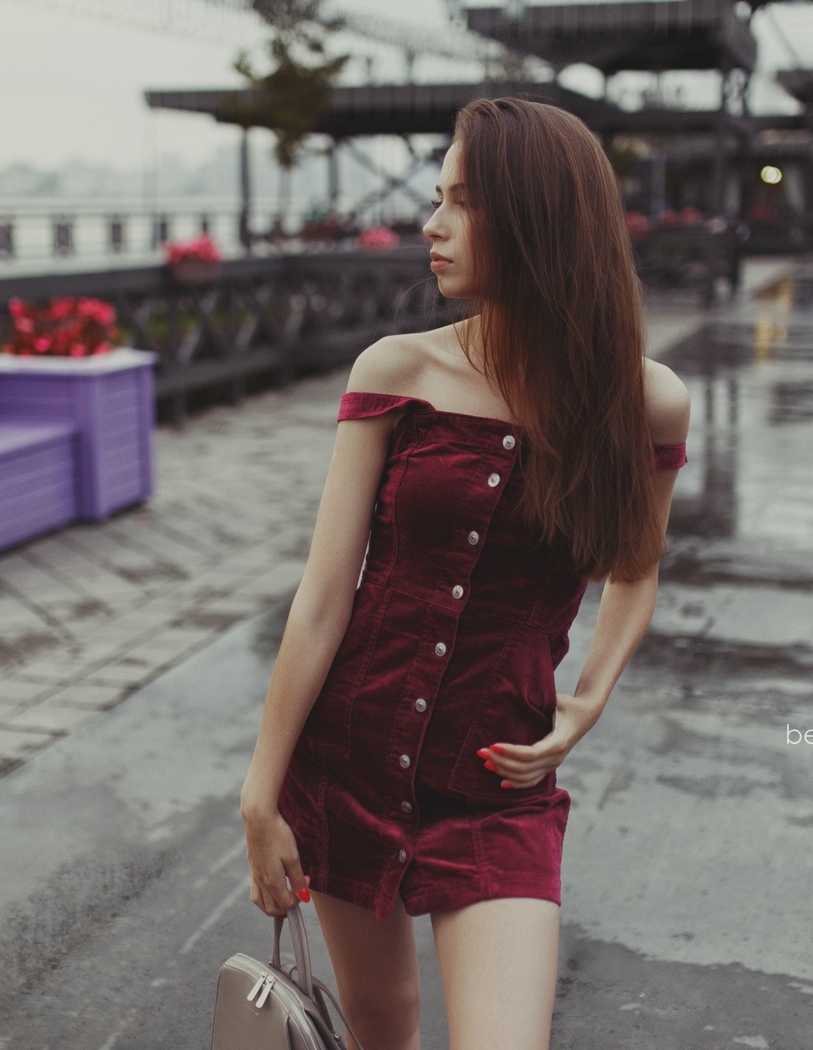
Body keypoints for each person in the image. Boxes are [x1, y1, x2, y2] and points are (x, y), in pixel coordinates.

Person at [239, 96, 690, 1050]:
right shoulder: (397, 370)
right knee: (385, 1029)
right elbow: (323, 601)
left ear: (538, 217)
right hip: (351, 763)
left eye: (462, 201)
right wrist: (261, 793)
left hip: (497, 785)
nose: (431, 226)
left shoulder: (644, 401)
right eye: (434, 198)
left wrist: (587, 700)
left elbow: (636, 568)